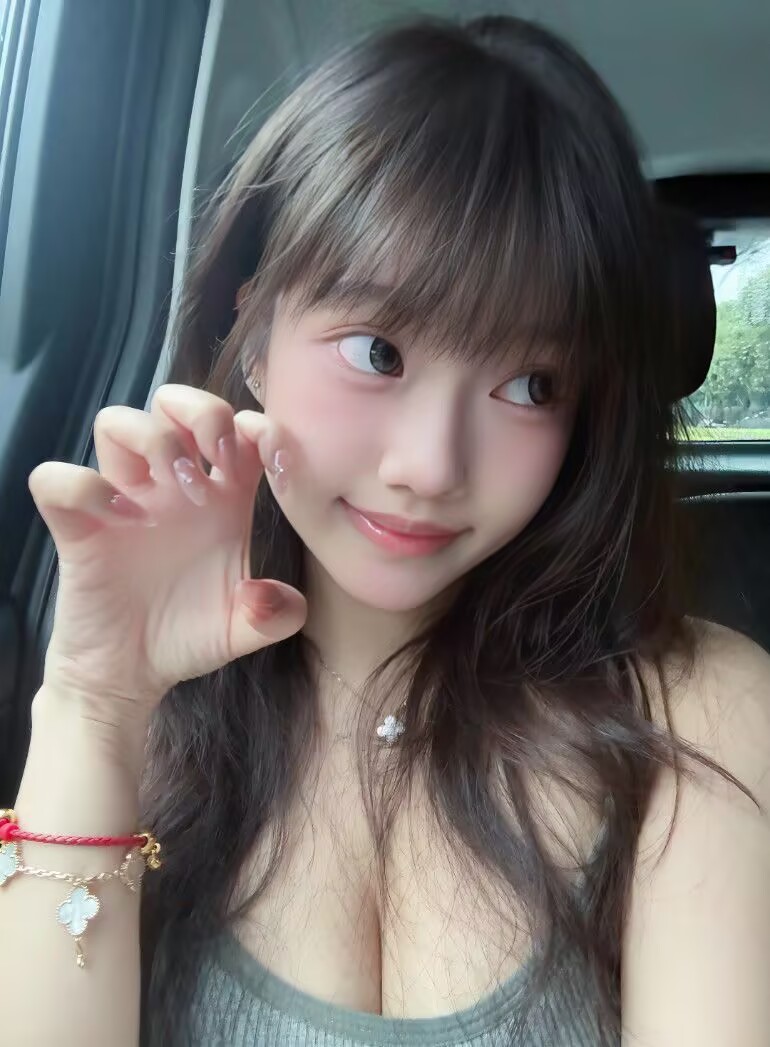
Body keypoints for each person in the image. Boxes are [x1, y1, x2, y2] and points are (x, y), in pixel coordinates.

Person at [2, 15, 769, 1047]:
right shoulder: (146, 711)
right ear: (252, 332)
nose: (430, 466)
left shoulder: (698, 716)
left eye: (529, 384)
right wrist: (94, 705)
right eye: (377, 352)